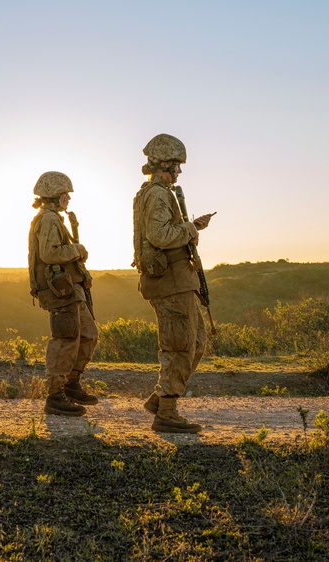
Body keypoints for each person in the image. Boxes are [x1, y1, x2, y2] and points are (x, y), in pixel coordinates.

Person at [132, 133, 213, 433]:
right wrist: (191, 227)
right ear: (164, 165)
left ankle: (160, 397)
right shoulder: (157, 194)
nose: (179, 172)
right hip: (170, 283)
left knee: (197, 343)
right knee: (179, 346)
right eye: (177, 166)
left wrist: (191, 228)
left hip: (179, 280)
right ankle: (166, 412)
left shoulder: (159, 193)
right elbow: (160, 236)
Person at [28, 171, 99, 416]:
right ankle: (55, 395)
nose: (68, 198)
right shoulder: (47, 219)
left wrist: (82, 273)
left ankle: (71, 384)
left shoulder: (55, 219)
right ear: (55, 197)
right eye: (64, 194)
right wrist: (78, 249)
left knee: (88, 335)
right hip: (59, 290)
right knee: (66, 339)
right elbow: (50, 254)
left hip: (71, 287)